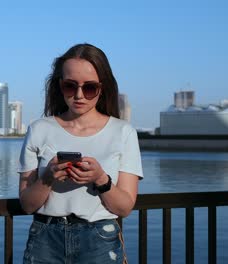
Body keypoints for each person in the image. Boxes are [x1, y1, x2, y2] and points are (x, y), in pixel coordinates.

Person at [18, 43, 143, 263]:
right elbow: (27, 205)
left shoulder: (123, 132)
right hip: (45, 238)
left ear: (102, 88)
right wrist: (48, 177)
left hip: (99, 240)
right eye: (70, 86)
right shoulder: (39, 129)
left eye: (89, 88)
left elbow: (124, 207)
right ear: (60, 86)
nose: (79, 95)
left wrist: (101, 179)